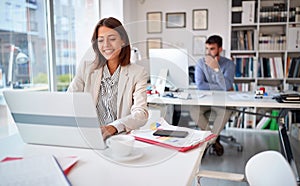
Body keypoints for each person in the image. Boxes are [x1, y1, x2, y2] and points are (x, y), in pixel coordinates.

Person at [68, 17, 149, 139]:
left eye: (112, 39)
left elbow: (141, 114)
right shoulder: (86, 68)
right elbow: (69, 100)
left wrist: (114, 127)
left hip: (120, 139)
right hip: (89, 136)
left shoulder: (138, 73)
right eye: (100, 40)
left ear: (123, 41)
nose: (106, 45)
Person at [190, 35, 235, 156]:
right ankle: (213, 141)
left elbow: (227, 86)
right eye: (207, 49)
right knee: (194, 110)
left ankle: (207, 142)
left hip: (221, 103)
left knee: (225, 112)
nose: (209, 52)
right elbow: (200, 85)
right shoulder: (200, 63)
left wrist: (216, 70)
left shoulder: (228, 64)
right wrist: (220, 86)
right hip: (205, 102)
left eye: (212, 49)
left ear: (220, 49)